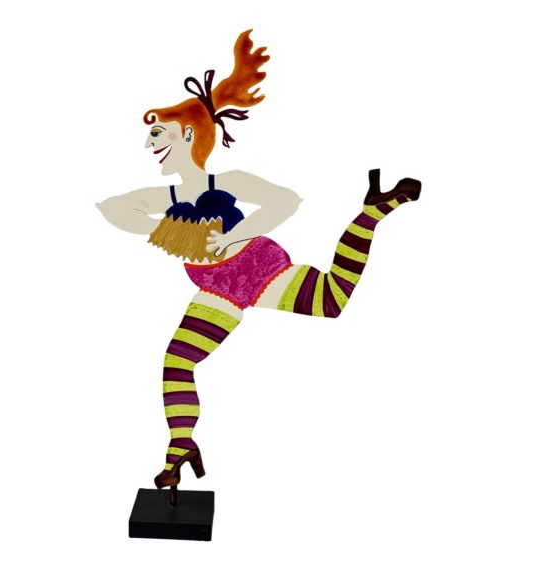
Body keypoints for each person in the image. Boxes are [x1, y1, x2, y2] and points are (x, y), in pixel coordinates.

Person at [97, 30, 421, 499]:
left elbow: (286, 201)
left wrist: (231, 236)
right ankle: (180, 449)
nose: (150, 145)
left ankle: (373, 211)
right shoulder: (165, 197)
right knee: (177, 363)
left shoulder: (225, 181)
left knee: (331, 301)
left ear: (188, 134)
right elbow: (110, 208)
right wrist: (164, 229)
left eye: (157, 134)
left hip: (254, 270)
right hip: (216, 290)